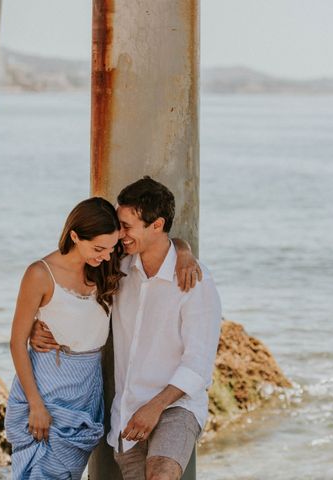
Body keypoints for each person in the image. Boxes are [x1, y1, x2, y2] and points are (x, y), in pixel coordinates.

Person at [32, 177, 222, 480]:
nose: (119, 234)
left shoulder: (194, 281)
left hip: (177, 405)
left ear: (157, 225)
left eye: (127, 226)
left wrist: (155, 407)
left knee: (160, 475)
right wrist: (37, 325)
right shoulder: (116, 268)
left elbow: (198, 364)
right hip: (127, 410)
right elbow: (70, 291)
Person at [5, 197, 123, 479]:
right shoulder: (40, 274)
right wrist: (36, 404)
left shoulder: (104, 266)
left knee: (67, 474)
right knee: (40, 471)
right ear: (74, 236)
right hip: (48, 386)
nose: (106, 256)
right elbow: (16, 342)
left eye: (111, 248)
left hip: (87, 388)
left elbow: (159, 246)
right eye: (98, 248)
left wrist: (184, 251)